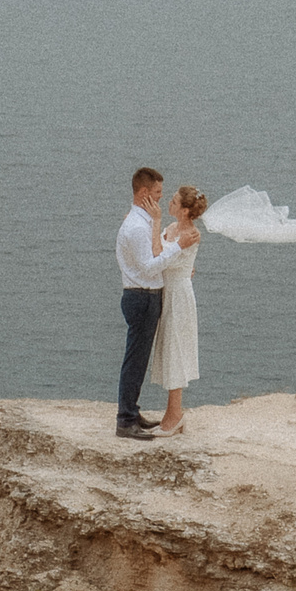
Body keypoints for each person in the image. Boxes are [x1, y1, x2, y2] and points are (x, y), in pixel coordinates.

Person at [114, 167, 186, 440]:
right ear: (144, 193)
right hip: (142, 296)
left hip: (144, 296)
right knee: (135, 360)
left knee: (138, 359)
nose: (160, 197)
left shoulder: (141, 222)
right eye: (157, 192)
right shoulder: (135, 227)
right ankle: (125, 420)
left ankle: (131, 412)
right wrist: (179, 250)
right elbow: (149, 266)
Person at [147, 184, 205, 433]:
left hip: (179, 297)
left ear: (183, 210)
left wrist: (155, 221)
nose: (168, 202)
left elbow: (160, 256)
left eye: (173, 200)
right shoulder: (174, 229)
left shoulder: (190, 235)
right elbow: (158, 253)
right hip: (168, 292)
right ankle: (172, 414)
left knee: (176, 350)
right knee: (169, 349)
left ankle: (175, 415)